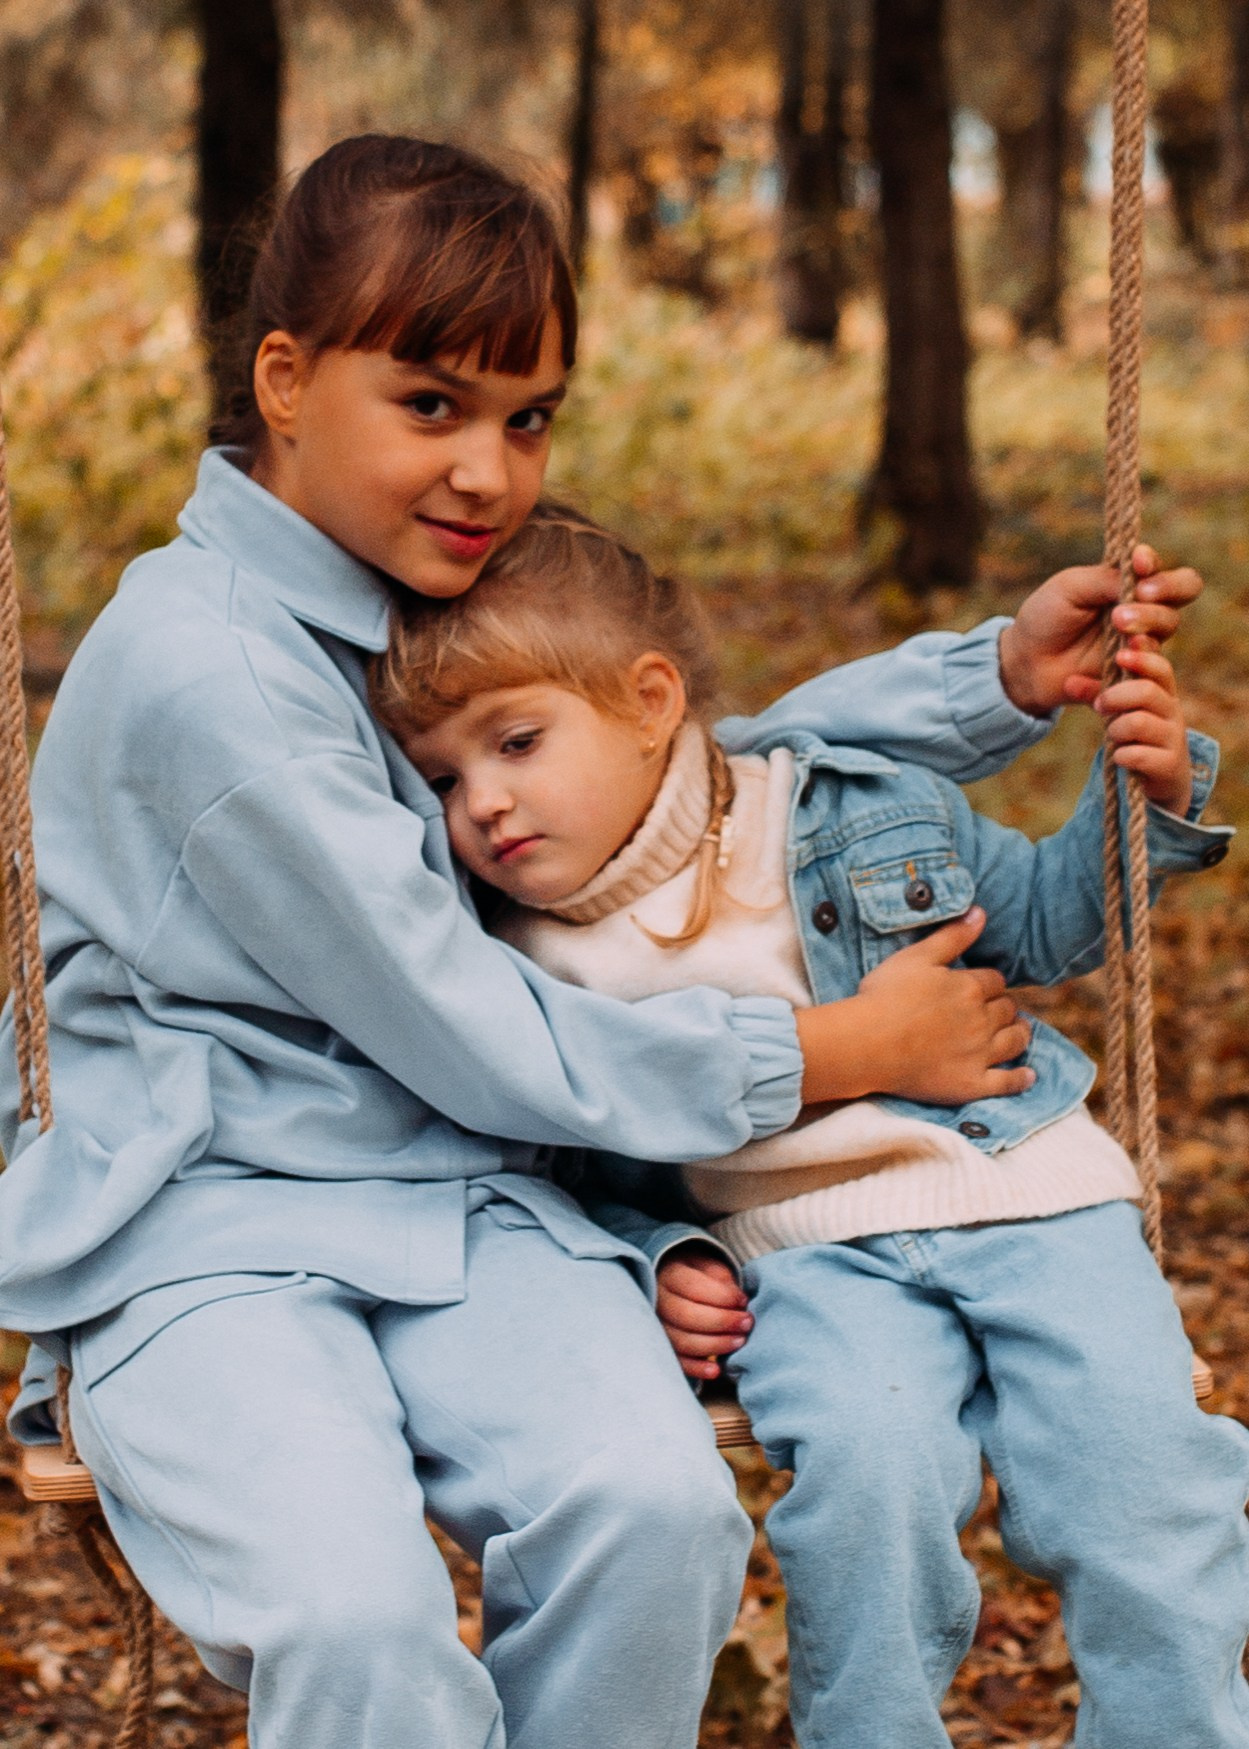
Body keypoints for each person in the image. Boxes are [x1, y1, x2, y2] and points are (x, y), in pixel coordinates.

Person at [0, 134, 1204, 1749]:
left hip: (461, 1195)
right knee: (360, 1626)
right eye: (429, 403)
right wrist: (822, 1050)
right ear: (283, 380)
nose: (489, 471)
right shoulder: (210, 670)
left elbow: (677, 774)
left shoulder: (399, 602)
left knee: (656, 1516)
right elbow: (466, 1019)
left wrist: (981, 678)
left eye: (527, 416)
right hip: (213, 1222)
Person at [377, 503, 1249, 1749]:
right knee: (864, 1489)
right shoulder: (511, 973)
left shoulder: (836, 803)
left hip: (1035, 1194)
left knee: (1143, 1486)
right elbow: (551, 1180)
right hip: (801, 1261)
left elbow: (1051, 925)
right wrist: (658, 1261)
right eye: (445, 780)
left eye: (516, 741)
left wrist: (1143, 799)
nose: (488, 805)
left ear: (648, 700)